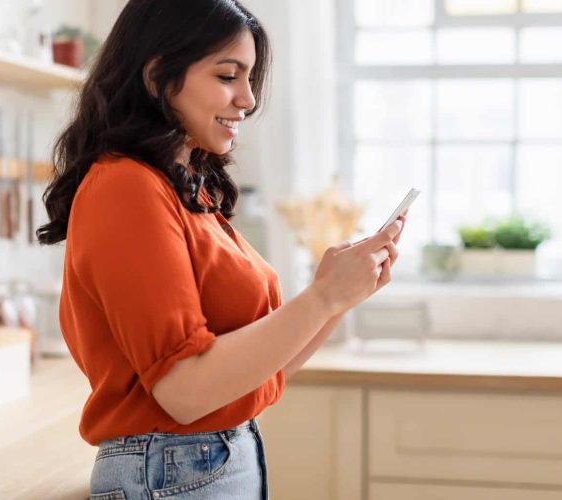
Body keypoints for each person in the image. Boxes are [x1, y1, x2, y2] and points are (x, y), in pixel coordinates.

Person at [36, 0, 406, 498]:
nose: (248, 99)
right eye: (229, 76)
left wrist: (338, 299)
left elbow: (259, 372)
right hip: (172, 472)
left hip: (206, 463)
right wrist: (321, 297)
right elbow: (185, 392)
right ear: (158, 77)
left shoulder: (186, 190)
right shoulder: (125, 187)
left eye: (250, 78)